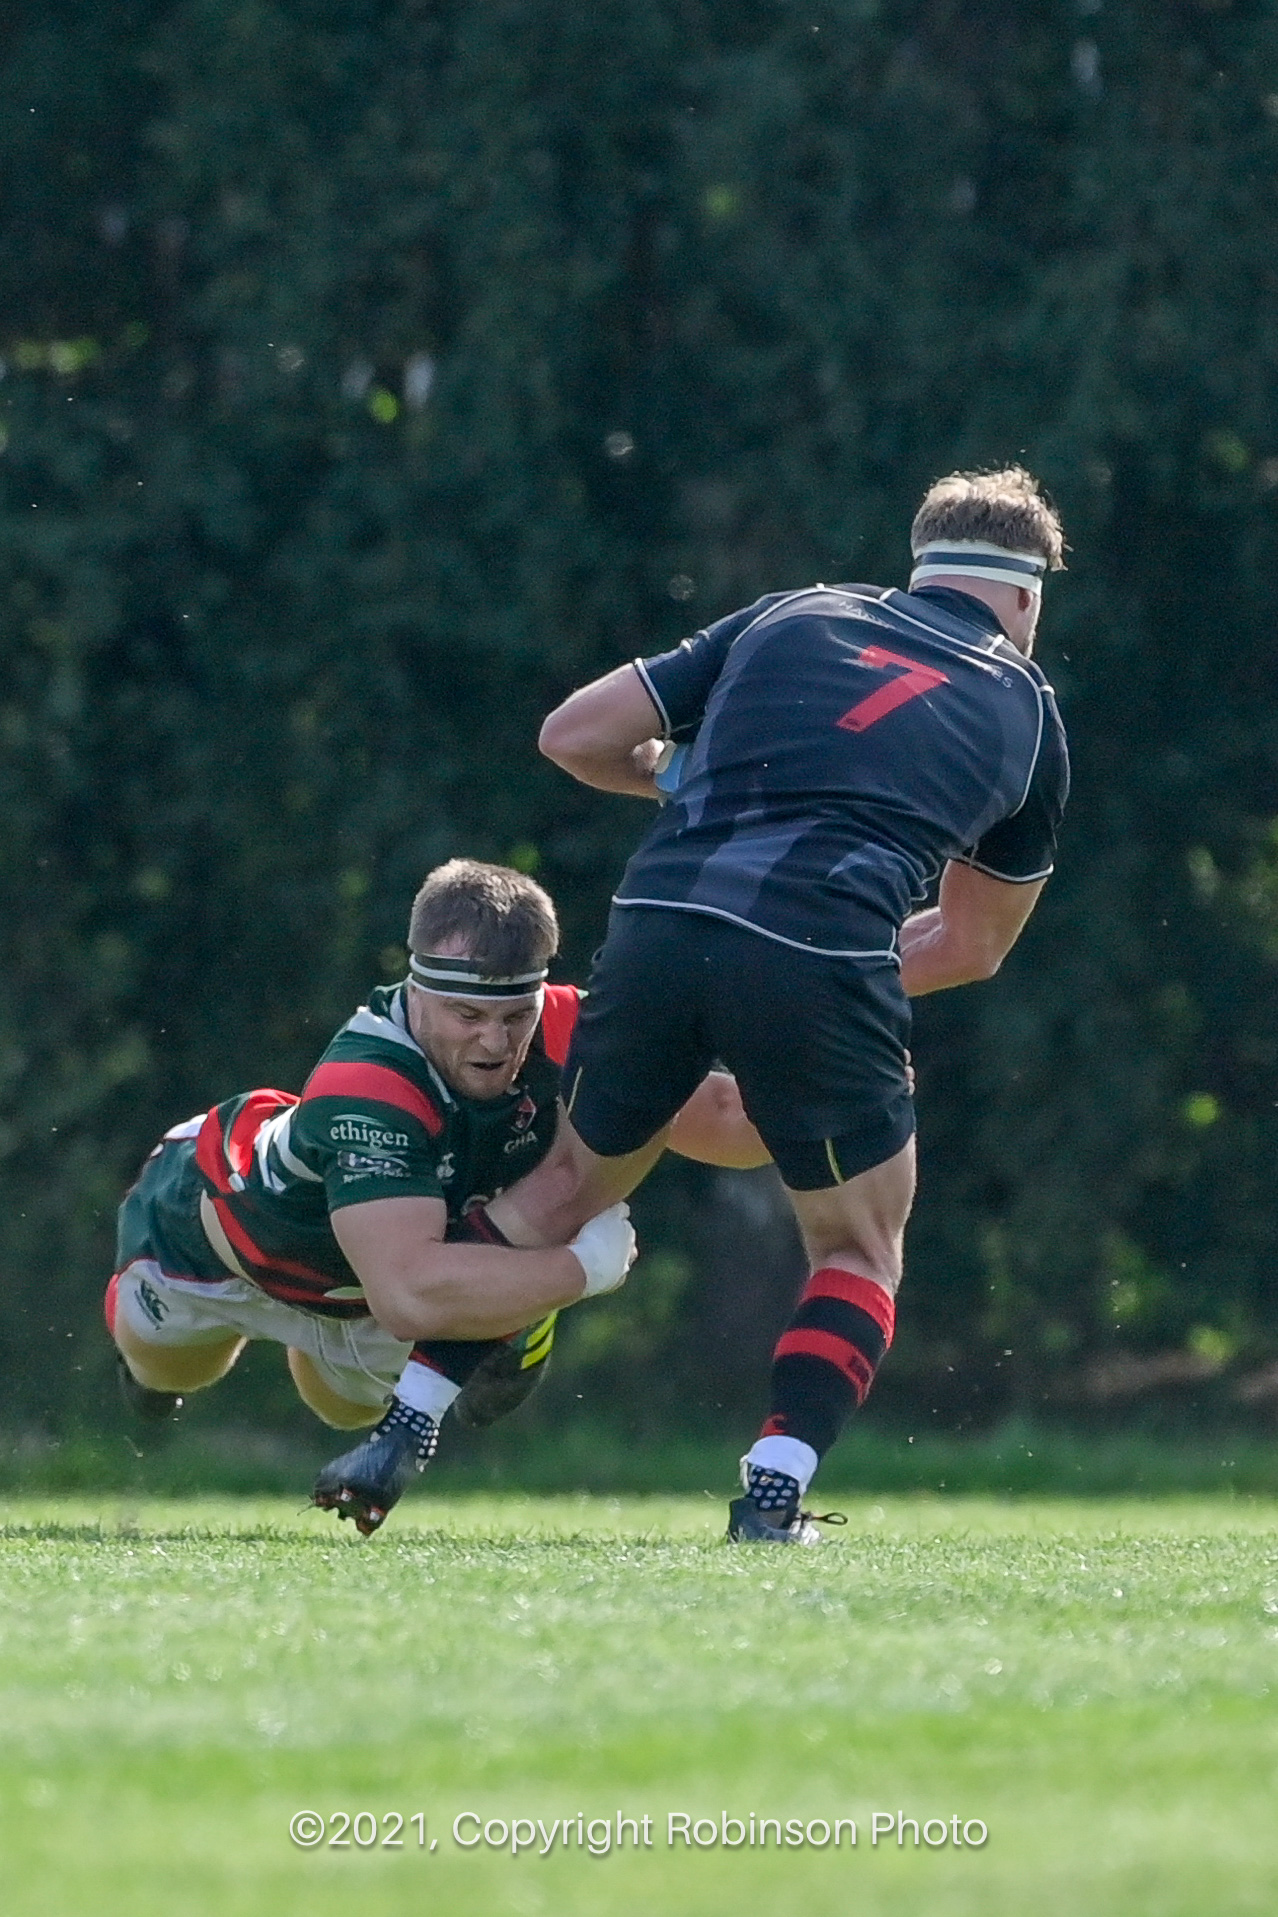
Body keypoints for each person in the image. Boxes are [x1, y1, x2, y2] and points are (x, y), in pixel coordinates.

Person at [497, 465, 1069, 1544]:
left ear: (920, 563)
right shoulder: (1025, 707)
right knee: (860, 1249)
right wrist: (825, 972)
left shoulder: (799, 611)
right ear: (1029, 598)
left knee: (565, 1186)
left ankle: (410, 1394)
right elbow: (972, 943)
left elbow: (574, 737)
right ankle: (775, 1483)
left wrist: (682, 783)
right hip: (827, 968)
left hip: (657, 926)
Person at [108, 859, 766, 1534]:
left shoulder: (565, 1027)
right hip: (211, 1241)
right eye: (467, 1013)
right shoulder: (368, 1082)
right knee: (164, 1364)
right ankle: (506, 1296)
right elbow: (410, 1296)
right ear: (417, 989)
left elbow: (720, 1115)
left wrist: (859, 1081)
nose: (495, 1040)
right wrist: (580, 1270)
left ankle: (490, 1295)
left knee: (347, 1407)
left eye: (516, 1015)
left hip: (365, 1287)